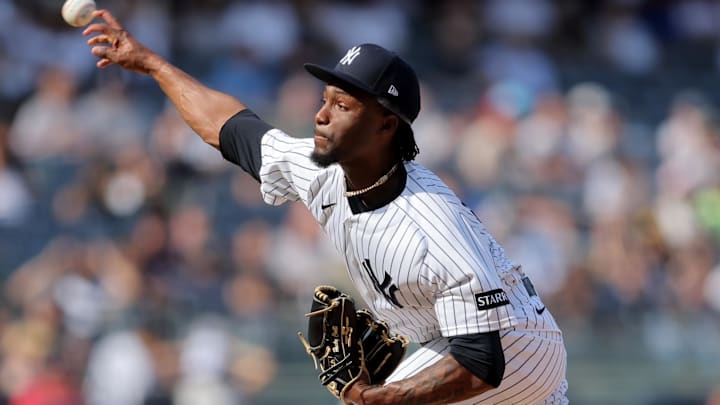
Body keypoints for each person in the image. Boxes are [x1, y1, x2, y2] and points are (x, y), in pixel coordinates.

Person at [83, 9, 568, 404]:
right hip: (454, 342)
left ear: (386, 126)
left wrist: (388, 397)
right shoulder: (321, 170)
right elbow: (231, 129)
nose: (321, 113)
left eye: (344, 105)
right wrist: (153, 65)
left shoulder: (430, 228)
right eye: (326, 97)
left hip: (515, 351)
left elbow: (482, 363)